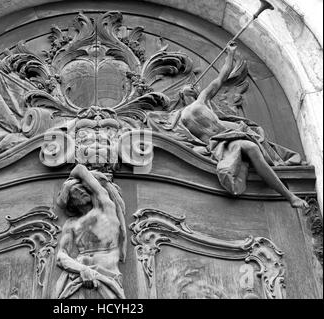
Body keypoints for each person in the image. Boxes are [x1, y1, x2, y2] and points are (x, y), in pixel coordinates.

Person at [149, 41, 308, 209]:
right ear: (180, 95)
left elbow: (221, 77)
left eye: (191, 87)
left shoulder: (203, 99)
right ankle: (290, 196)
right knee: (250, 147)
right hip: (219, 145)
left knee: (252, 136)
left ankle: (280, 163)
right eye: (185, 88)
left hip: (232, 136)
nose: (189, 88)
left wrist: (230, 54)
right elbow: (171, 132)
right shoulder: (178, 117)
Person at [54, 164, 127, 299]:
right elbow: (61, 256)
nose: (82, 191)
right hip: (77, 277)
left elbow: (79, 169)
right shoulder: (71, 224)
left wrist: (84, 179)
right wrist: (83, 269)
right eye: (75, 191)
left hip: (107, 277)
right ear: (71, 202)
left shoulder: (104, 210)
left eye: (83, 188)